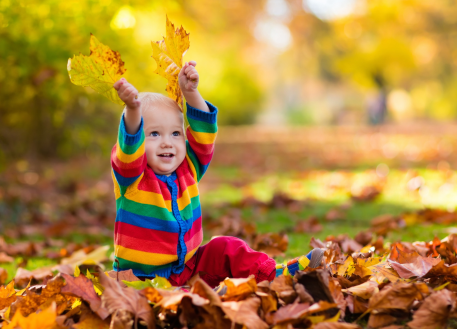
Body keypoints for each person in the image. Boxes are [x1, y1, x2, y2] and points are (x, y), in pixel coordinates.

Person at [110, 61, 323, 288]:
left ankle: (274, 275)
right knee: (134, 292)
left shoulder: (188, 169)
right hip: (142, 278)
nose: (167, 143)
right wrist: (133, 112)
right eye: (154, 134)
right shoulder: (132, 178)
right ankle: (201, 295)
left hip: (189, 267)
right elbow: (128, 152)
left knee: (226, 247)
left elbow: (204, 137)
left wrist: (190, 93)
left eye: (175, 133)